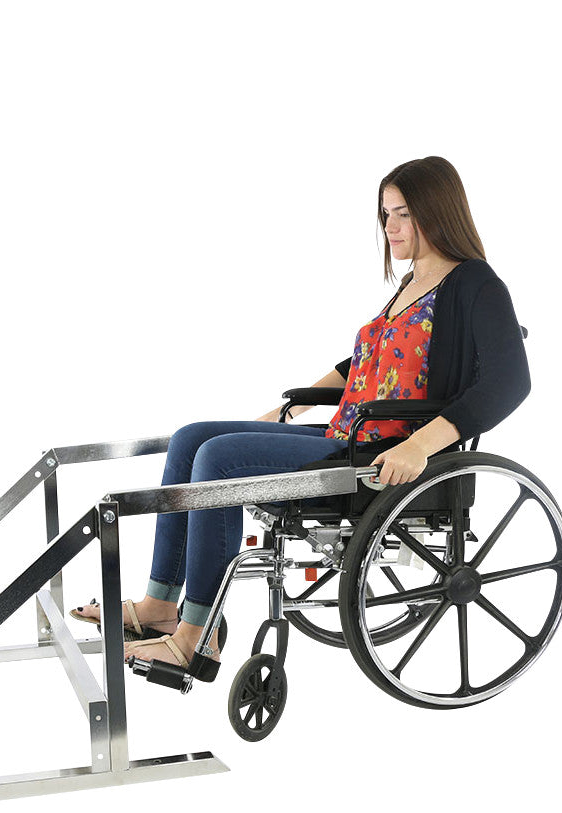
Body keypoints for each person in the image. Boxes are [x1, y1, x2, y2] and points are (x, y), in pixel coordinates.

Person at [71, 156, 530, 672]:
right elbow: (363, 362)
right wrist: (298, 402)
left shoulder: (474, 284)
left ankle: (195, 637)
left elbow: (509, 383)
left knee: (218, 459)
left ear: (438, 212)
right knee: (190, 438)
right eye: (385, 214)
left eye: (404, 214)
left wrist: (420, 447)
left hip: (380, 454)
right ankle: (159, 606)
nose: (391, 227)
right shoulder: (409, 283)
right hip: (346, 432)